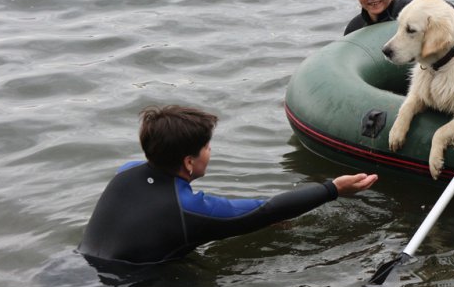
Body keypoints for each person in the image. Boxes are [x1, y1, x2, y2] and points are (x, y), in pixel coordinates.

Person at [78, 105, 378, 265]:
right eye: (207, 147)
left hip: (77, 268)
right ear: (188, 162)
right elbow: (264, 210)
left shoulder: (126, 171)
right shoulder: (187, 209)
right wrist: (333, 189)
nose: (210, 152)